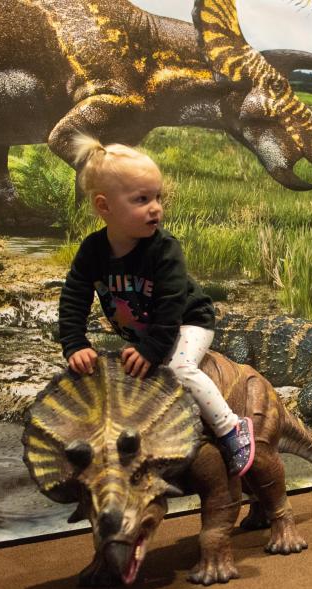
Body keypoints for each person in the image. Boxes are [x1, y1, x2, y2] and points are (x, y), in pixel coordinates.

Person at [57, 134, 255, 476]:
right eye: (142, 199)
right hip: (147, 330)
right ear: (105, 207)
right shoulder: (92, 250)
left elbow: (171, 304)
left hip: (188, 321)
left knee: (179, 369)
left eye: (158, 197)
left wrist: (150, 349)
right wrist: (74, 342)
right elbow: (74, 295)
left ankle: (231, 428)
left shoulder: (164, 250)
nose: (156, 208)